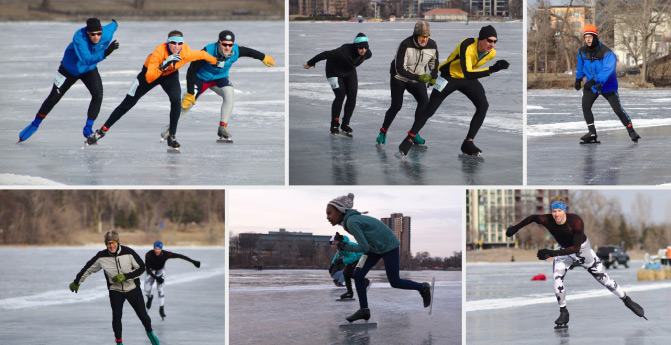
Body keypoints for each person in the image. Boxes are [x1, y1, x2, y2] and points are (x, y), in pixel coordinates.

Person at [505, 196, 647, 329]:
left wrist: (552, 253)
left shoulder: (576, 222)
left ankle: (626, 299)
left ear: (565, 210)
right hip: (563, 250)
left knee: (605, 281)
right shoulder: (546, 219)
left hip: (582, 250)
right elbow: (532, 218)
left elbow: (576, 247)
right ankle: (563, 312)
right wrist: (515, 228)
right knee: (557, 278)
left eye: (559, 211)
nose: (556, 214)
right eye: (554, 211)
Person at [86, 30, 219, 150]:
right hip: (150, 73)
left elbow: (202, 55)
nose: (176, 47)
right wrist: (164, 64)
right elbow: (150, 78)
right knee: (127, 103)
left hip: (169, 76)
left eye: (179, 44)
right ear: (168, 43)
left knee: (176, 100)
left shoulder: (186, 52)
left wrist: (215, 62)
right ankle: (102, 131)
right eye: (173, 43)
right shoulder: (159, 52)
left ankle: (171, 136)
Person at [397, 25, 510, 158]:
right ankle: (409, 139)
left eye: (495, 41)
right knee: (430, 109)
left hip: (467, 79)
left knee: (483, 105)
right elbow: (468, 72)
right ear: (481, 39)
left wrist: (492, 69)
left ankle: (468, 143)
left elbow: (469, 73)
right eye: (489, 40)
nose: (492, 44)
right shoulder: (467, 45)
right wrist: (492, 69)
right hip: (448, 77)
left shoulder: (492, 53)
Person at [326, 193, 431, 322]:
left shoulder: (352, 222)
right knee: (358, 274)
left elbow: (363, 247)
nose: (328, 217)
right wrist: (344, 243)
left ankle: (423, 287)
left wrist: (345, 246)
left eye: (329, 213)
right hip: (375, 248)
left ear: (340, 211)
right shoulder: (349, 221)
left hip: (388, 246)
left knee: (395, 282)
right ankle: (364, 310)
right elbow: (365, 243)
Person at [159, 30, 275, 143]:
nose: (227, 48)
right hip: (200, 78)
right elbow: (191, 70)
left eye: (230, 45)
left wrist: (263, 57)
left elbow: (250, 52)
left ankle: (222, 128)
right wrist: (190, 92)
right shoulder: (208, 51)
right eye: (224, 44)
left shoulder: (236, 51)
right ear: (219, 42)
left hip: (219, 78)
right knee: (186, 104)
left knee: (230, 94)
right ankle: (170, 130)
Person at [19, 18, 119, 142]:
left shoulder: (107, 32)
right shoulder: (79, 37)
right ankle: (35, 123)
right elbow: (86, 59)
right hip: (68, 70)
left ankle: (88, 127)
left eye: (99, 34)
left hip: (88, 69)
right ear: (87, 33)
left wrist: (115, 23)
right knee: (53, 98)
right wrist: (106, 53)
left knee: (98, 94)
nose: (96, 37)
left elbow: (113, 26)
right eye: (92, 34)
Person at [69, 230, 159, 345]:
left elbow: (142, 267)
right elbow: (88, 268)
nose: (111, 246)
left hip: (132, 288)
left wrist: (125, 277)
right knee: (116, 317)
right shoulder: (101, 257)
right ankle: (119, 343)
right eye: (108, 244)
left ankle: (150, 333)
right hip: (115, 290)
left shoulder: (128, 252)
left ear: (118, 242)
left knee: (144, 316)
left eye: (113, 243)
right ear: (106, 244)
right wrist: (77, 281)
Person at [376, 20, 438, 148]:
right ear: (416, 36)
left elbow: (434, 63)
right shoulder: (405, 44)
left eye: (427, 37)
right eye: (422, 37)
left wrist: (433, 76)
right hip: (399, 78)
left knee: (424, 103)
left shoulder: (432, 45)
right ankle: (383, 132)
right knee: (396, 105)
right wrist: (419, 77)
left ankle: (415, 134)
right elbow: (399, 68)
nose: (425, 40)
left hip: (417, 78)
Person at [575, 24, 640, 144]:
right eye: (586, 37)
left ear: (595, 37)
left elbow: (608, 70)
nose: (588, 39)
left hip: (607, 85)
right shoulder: (582, 52)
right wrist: (578, 79)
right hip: (592, 85)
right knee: (585, 106)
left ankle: (631, 131)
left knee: (617, 109)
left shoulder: (607, 52)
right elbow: (580, 66)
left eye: (590, 37)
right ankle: (592, 133)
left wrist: (595, 80)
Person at [303, 33, 372, 137]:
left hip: (349, 72)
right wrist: (310, 62)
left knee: (352, 94)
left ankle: (345, 124)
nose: (363, 50)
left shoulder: (367, 54)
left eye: (366, 47)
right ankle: (334, 125)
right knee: (340, 94)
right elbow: (325, 54)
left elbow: (357, 60)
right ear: (355, 46)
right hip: (333, 71)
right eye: (361, 47)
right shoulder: (342, 52)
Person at [144, 241, 201, 319]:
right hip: (151, 271)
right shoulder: (149, 254)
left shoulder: (166, 254)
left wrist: (193, 261)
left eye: (159, 249)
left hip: (160, 271)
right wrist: (157, 278)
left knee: (160, 289)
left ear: (161, 249)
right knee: (146, 290)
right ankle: (149, 298)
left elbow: (180, 256)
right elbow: (147, 269)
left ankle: (161, 308)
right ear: (153, 248)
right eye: (155, 248)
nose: (157, 250)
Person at [330, 232, 371, 299]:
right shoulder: (340, 247)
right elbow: (337, 256)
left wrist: (342, 261)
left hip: (361, 257)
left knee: (349, 272)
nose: (331, 245)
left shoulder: (345, 246)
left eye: (332, 243)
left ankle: (365, 281)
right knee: (345, 273)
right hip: (356, 259)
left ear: (336, 243)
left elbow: (353, 257)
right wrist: (332, 264)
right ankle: (349, 293)